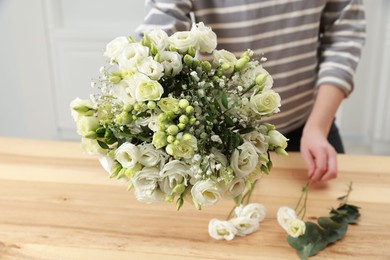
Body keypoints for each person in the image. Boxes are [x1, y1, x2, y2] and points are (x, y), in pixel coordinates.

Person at [134, 0, 366, 184]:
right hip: (221, 142)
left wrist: (317, 127)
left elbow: (344, 34)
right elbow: (159, 33)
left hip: (310, 131)